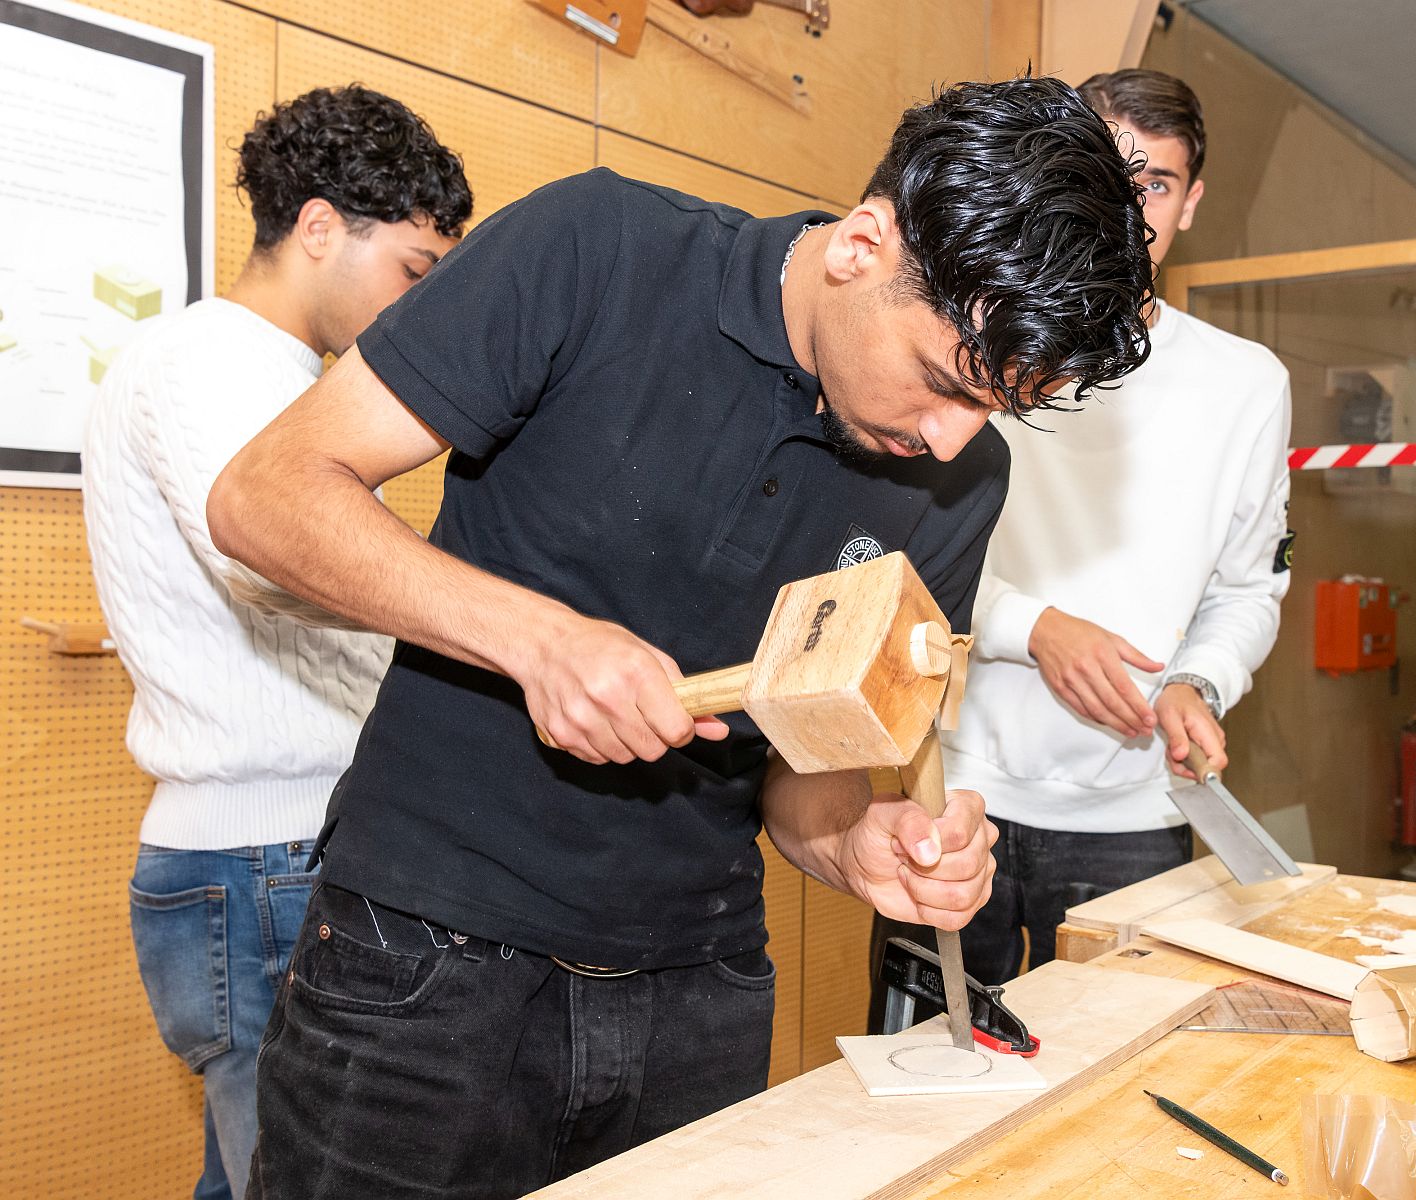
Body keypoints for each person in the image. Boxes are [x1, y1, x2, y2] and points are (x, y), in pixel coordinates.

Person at [203, 76, 1154, 1200]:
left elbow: (805, 777)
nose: (953, 441)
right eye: (946, 382)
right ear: (863, 245)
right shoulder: (598, 249)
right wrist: (537, 641)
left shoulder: (960, 483)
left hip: (700, 991)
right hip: (423, 958)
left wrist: (858, 844)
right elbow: (266, 495)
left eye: (992, 407)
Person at [82, 86, 469, 1200]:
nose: (417, 307)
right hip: (262, 858)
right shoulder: (214, 361)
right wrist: (504, 620)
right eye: (413, 269)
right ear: (318, 227)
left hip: (276, 853)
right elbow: (275, 560)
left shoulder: (275, 375)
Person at [869, 68, 1293, 1003]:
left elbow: (1248, 589)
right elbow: (886, 553)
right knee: (919, 1071)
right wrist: (1037, 630)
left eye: (1158, 183)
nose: (1133, 207)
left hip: (1136, 817)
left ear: (1192, 202)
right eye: (1111, 170)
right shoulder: (977, 335)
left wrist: (1198, 682)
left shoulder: (1248, 384)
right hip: (954, 788)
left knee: (1125, 1072)